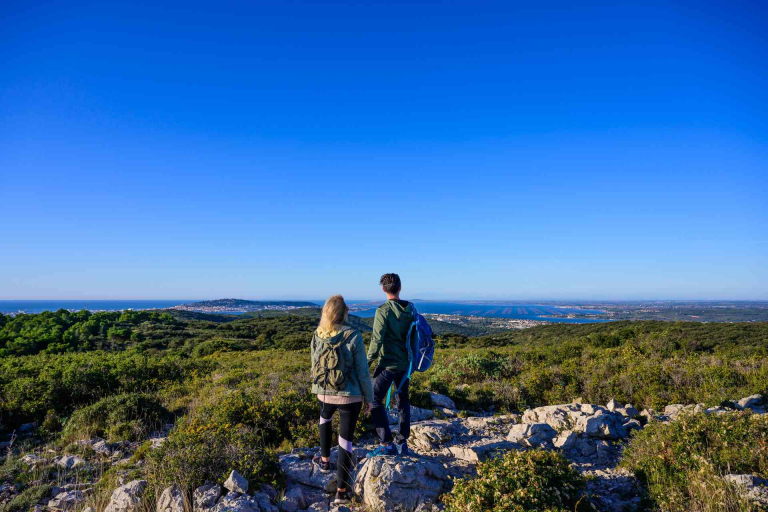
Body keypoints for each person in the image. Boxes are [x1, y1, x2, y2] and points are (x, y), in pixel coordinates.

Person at [310, 295, 374, 505]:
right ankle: (341, 492)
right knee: (345, 439)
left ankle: (325, 461)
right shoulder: (353, 335)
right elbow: (363, 371)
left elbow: (314, 364)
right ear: (344, 312)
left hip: (324, 391)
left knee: (324, 419)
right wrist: (369, 398)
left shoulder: (317, 335)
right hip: (350, 395)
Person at [366, 273, 416, 457]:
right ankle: (402, 442)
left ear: (383, 289)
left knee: (373, 400)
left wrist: (367, 362)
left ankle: (387, 443)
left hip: (387, 364)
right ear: (400, 288)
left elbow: (376, 340)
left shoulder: (383, 311)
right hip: (406, 364)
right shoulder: (411, 308)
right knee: (403, 401)